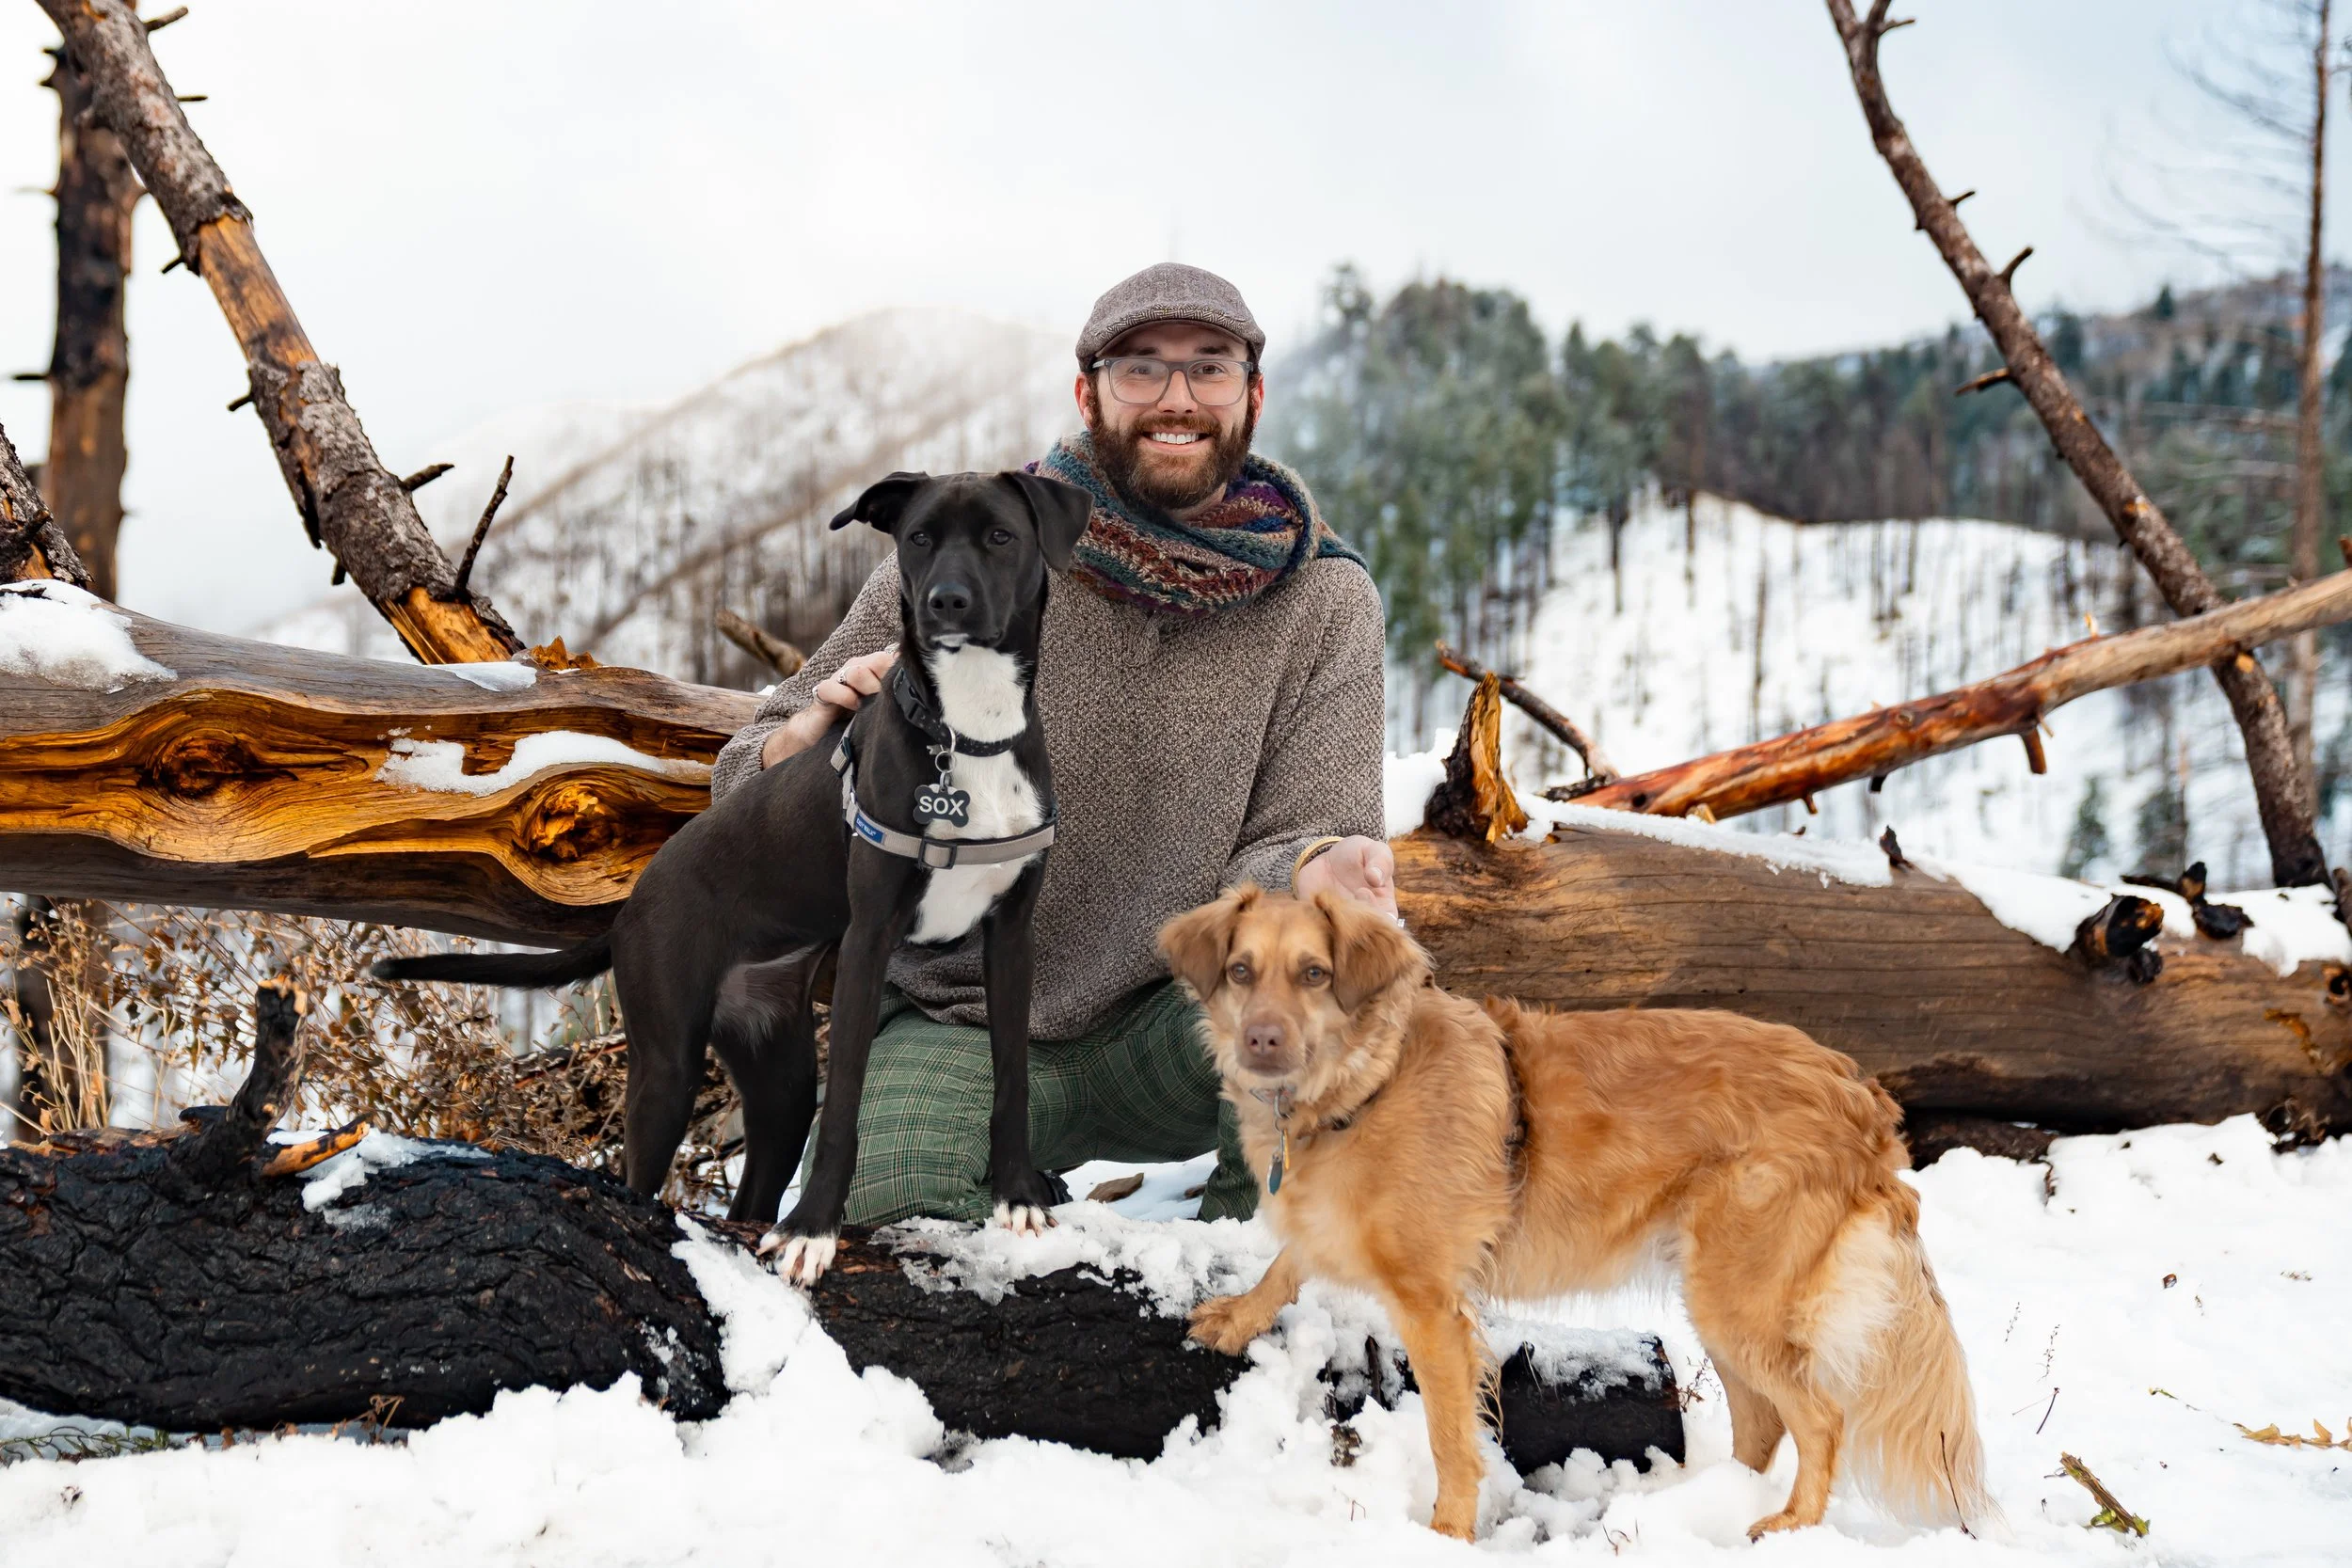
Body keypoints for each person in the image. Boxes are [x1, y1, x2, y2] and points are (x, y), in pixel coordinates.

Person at [707, 263, 1389, 1224]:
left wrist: (1318, 862)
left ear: (1252, 395)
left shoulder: (1324, 597)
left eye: (1209, 367)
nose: (1177, 398)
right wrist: (811, 737)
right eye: (1140, 368)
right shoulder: (968, 540)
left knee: (1339, 1029)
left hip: (1180, 1015)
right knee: (878, 1218)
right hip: (962, 1013)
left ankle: (1247, 1285)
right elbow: (744, 773)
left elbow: (1300, 829)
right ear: (1088, 393)